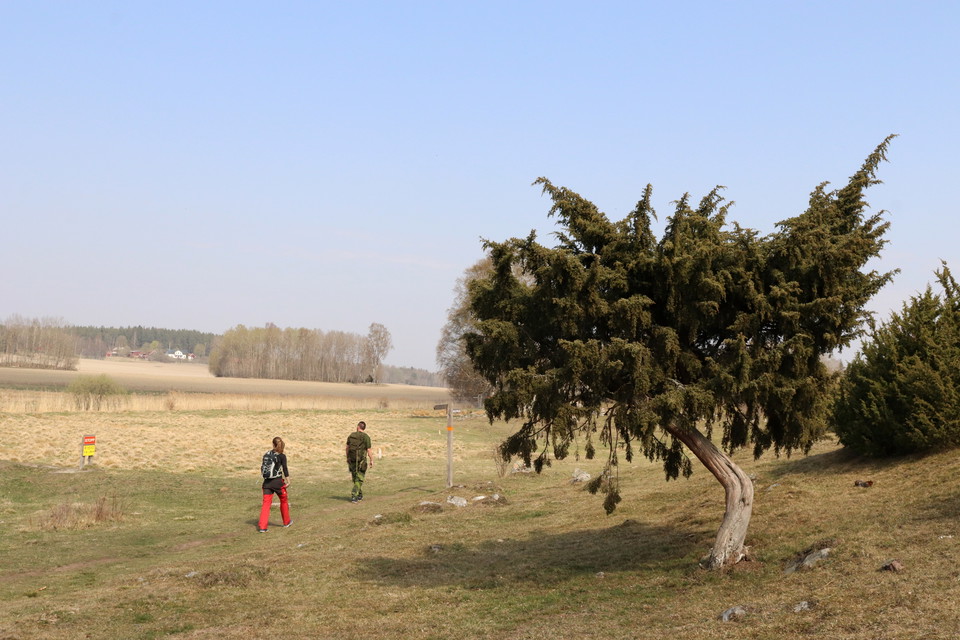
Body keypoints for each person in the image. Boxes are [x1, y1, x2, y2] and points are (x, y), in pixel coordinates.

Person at [258, 436, 291, 532]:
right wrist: (288, 481)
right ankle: (286, 522)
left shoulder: (267, 454)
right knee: (283, 501)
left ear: (273, 444)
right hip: (278, 483)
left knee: (266, 504)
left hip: (267, 483)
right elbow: (285, 469)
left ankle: (262, 527)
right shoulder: (282, 456)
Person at [345, 420, 373, 502]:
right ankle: (354, 495)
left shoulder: (351, 435)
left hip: (352, 460)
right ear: (364, 428)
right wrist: (371, 459)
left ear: (358, 427)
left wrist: (347, 458)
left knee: (355, 478)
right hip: (361, 461)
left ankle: (359, 495)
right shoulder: (366, 437)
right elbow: (369, 450)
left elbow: (347, 448)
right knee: (359, 479)